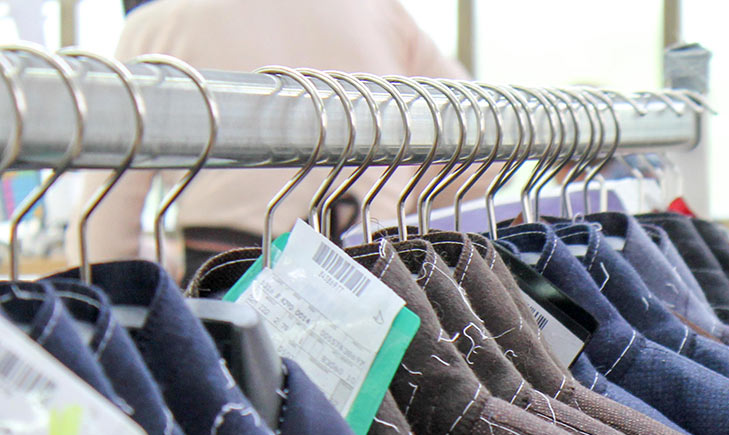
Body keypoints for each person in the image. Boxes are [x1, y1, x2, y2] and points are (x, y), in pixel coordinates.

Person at [74, 0, 468, 279]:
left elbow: (101, 221)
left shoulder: (158, 23)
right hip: (380, 271)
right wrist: (400, 203)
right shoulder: (381, 11)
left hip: (231, 277)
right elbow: (478, 145)